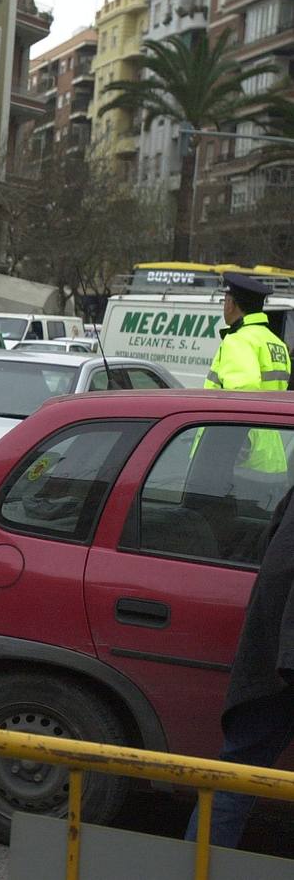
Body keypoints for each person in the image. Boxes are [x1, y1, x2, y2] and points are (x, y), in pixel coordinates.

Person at [185, 486, 294, 848]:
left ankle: (196, 870)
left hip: (273, 653)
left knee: (235, 772)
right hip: (277, 650)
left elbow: (272, 552)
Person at [203, 273, 290, 476]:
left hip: (240, 459)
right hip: (271, 456)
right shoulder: (275, 342)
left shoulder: (239, 340)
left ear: (231, 303)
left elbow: (241, 399)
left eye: (225, 300)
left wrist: (228, 454)